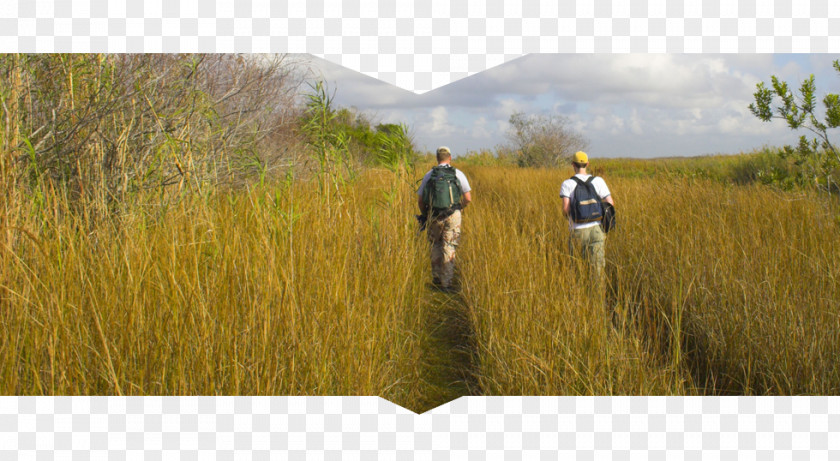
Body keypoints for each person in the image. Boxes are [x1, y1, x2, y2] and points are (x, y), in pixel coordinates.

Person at [417, 146, 472, 291]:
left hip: (434, 215)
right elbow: (468, 198)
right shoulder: (458, 174)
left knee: (435, 245)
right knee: (449, 246)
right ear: (450, 157)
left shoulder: (429, 175)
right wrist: (459, 208)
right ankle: (446, 283)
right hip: (453, 215)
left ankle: (436, 278)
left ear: (437, 158)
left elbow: (421, 200)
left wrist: (425, 215)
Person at [560, 151, 615, 282]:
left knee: (577, 268)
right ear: (587, 164)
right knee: (597, 270)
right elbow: (610, 203)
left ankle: (580, 297)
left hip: (577, 230)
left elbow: (566, 209)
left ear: (573, 164)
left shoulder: (567, 184)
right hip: (597, 229)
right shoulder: (599, 181)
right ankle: (597, 299)